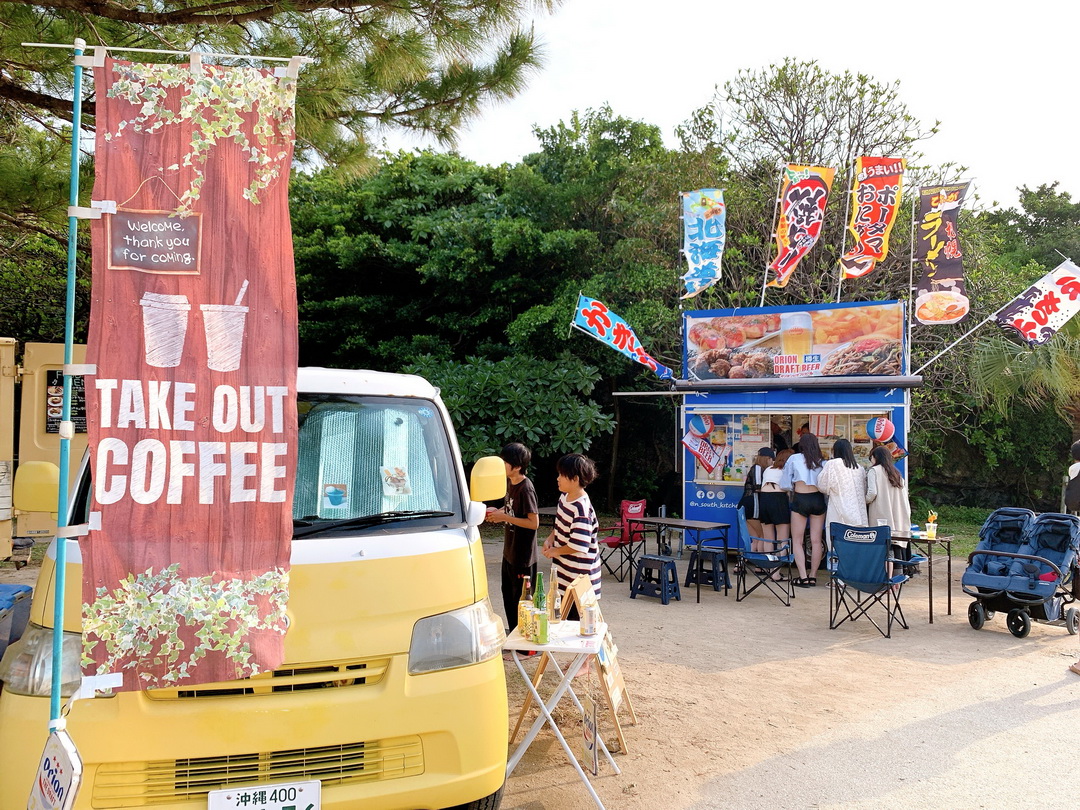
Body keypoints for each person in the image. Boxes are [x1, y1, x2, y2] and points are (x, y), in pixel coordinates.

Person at [485, 442, 539, 632]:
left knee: (522, 601)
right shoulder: (510, 483)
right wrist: (497, 512)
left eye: (505, 462)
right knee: (508, 595)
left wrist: (504, 517)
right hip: (509, 553)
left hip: (522, 557)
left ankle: (526, 648)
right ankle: (515, 637)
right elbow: (513, 510)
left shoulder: (526, 488)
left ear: (517, 466)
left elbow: (533, 522)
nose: (501, 465)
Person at [543, 453, 601, 616]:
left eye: (562, 475)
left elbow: (579, 545)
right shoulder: (564, 497)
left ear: (575, 479)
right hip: (564, 572)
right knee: (560, 616)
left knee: (577, 624)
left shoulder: (581, 509)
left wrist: (556, 551)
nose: (558, 478)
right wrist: (550, 539)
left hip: (580, 578)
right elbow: (560, 523)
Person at [781, 431, 826, 587]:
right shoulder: (822, 461)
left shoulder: (794, 458)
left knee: (798, 541)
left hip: (800, 498)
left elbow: (785, 483)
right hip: (818, 499)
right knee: (815, 540)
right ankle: (813, 576)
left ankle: (803, 577)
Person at [865, 444, 913, 577]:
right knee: (895, 547)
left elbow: (872, 493)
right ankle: (896, 580)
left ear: (876, 457)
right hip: (897, 516)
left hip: (881, 515)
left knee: (884, 550)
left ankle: (885, 579)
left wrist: (863, 501)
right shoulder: (896, 473)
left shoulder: (874, 471)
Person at [817, 438, 868, 546]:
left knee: (838, 550)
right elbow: (864, 490)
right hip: (859, 516)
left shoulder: (833, 464)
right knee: (856, 550)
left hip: (839, 513)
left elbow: (822, 485)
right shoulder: (859, 468)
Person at [757, 448, 793, 579]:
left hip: (764, 500)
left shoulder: (768, 469)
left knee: (768, 539)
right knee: (782, 540)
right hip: (779, 500)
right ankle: (777, 573)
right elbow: (789, 488)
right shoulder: (786, 470)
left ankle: (770, 569)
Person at [738, 448, 775, 538]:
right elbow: (757, 486)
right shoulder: (757, 468)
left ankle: (752, 552)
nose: (772, 462)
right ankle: (761, 552)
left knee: (755, 538)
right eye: (772, 460)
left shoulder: (756, 468)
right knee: (762, 535)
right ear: (768, 458)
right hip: (753, 504)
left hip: (747, 504)